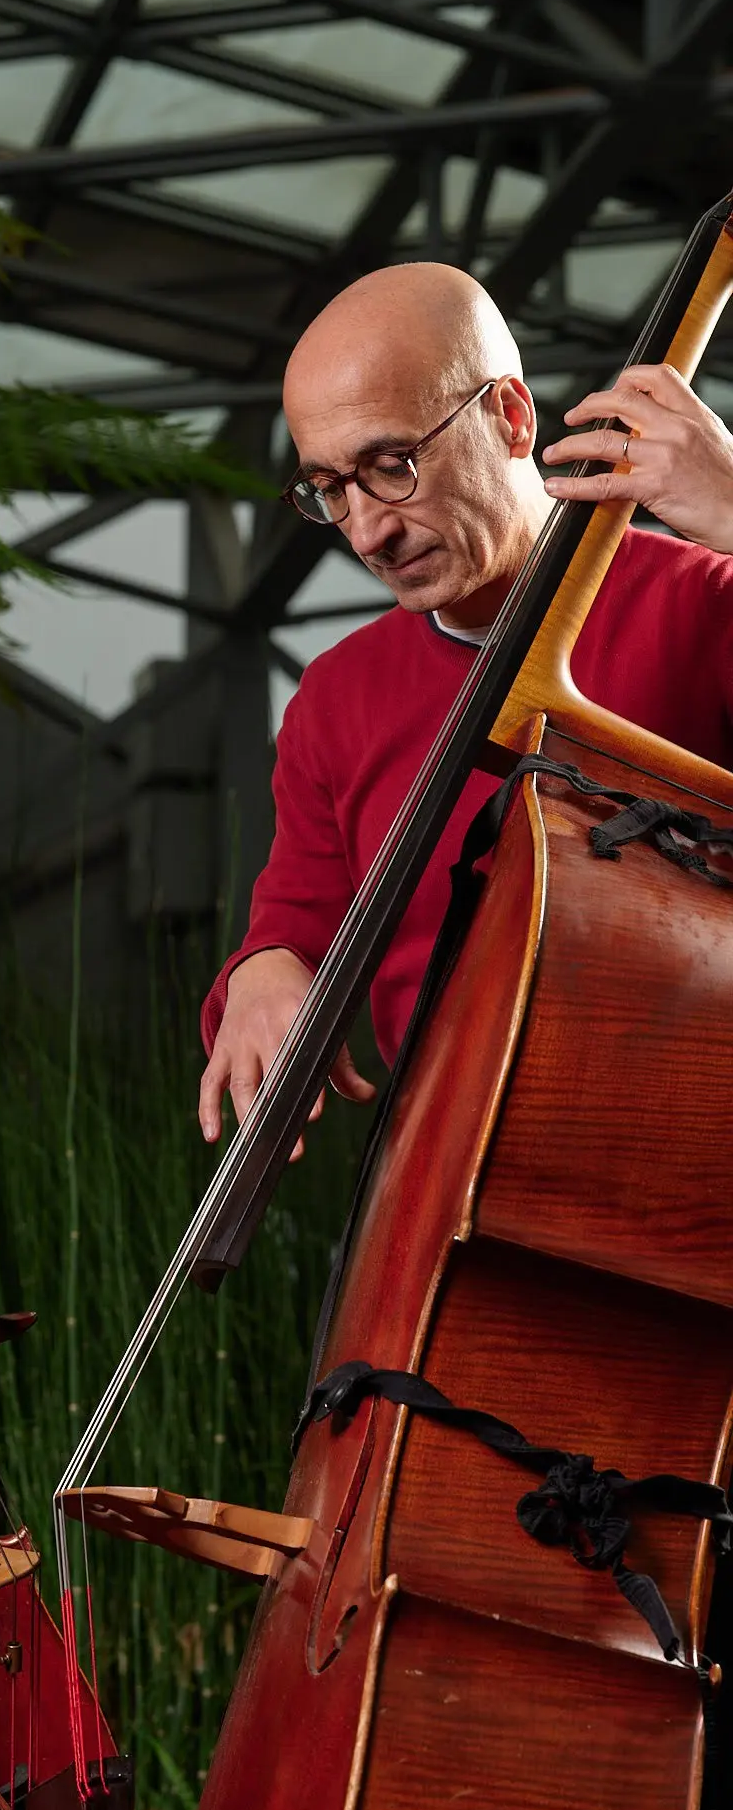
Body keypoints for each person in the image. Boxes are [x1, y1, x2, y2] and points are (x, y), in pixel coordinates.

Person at [198, 260, 733, 1154]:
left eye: (393, 464)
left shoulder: (703, 603)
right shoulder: (337, 697)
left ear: (511, 416)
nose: (368, 530)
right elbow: (295, 915)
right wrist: (260, 971)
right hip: (453, 1187)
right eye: (331, 488)